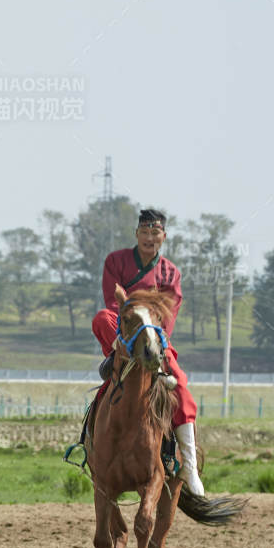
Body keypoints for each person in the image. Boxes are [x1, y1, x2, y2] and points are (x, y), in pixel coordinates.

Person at [90, 208, 205, 496]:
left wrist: (153, 339)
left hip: (154, 338)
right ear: (136, 235)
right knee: (102, 317)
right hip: (125, 332)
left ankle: (189, 464)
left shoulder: (171, 273)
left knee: (180, 388)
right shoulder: (115, 261)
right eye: (144, 232)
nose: (149, 237)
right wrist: (127, 333)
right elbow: (113, 302)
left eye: (155, 233)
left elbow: (168, 314)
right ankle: (116, 359)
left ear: (163, 237)